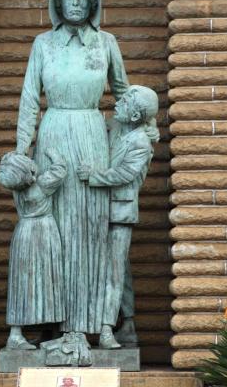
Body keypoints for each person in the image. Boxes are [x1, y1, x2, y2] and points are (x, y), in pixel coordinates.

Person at [15, 0, 129, 342]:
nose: (76, 2)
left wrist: (136, 138)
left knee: (92, 229)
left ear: (93, 2)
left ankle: (94, 324)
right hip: (53, 136)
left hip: (92, 137)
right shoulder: (43, 44)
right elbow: (29, 99)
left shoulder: (106, 43)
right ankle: (53, 322)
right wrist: (22, 150)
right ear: (58, 2)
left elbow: (124, 95)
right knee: (54, 232)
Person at [77, 86, 160, 348]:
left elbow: (124, 174)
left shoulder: (141, 143)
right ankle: (127, 325)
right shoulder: (117, 125)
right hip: (99, 209)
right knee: (119, 271)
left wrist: (93, 175)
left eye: (124, 102)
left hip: (120, 214)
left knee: (113, 274)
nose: (117, 103)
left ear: (135, 115)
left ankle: (106, 330)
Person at [0, 149, 67, 349]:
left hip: (23, 233)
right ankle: (23, 335)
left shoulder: (16, 188)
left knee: (22, 283)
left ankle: (21, 332)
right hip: (42, 232)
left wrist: (15, 156)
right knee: (48, 281)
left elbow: (10, 164)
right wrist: (53, 154)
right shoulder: (41, 185)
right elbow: (60, 170)